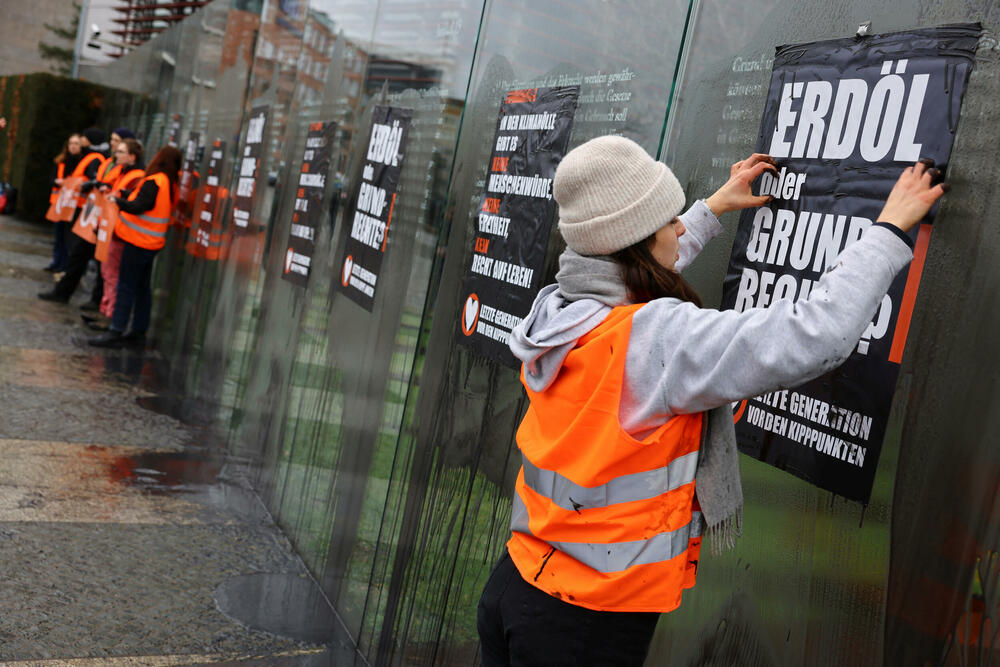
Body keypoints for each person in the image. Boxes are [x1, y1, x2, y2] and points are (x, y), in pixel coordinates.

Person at [476, 136, 947, 666]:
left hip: (518, 584)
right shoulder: (655, 340)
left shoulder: (560, 310)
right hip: (582, 626)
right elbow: (816, 336)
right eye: (669, 221)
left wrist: (712, 208)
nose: (680, 228)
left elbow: (629, 274)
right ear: (634, 240)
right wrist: (887, 231)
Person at [89, 144, 181, 348]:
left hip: (138, 241)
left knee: (126, 286)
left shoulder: (155, 180)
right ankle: (138, 330)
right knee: (141, 288)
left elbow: (141, 206)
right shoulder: (171, 183)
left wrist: (118, 201)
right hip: (152, 243)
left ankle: (116, 330)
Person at [82, 137, 145, 330]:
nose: (116, 153)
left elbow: (129, 200)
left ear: (132, 157)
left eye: (121, 151)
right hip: (111, 228)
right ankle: (105, 312)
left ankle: (109, 316)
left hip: (120, 232)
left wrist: (115, 195)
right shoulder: (123, 172)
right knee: (107, 272)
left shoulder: (136, 176)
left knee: (112, 275)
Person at [38, 129, 107, 302]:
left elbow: (94, 181)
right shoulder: (92, 158)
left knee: (76, 251)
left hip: (84, 211)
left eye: (82, 139)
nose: (79, 142)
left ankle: (65, 289)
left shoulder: (95, 159)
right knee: (72, 248)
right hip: (79, 208)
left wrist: (86, 185)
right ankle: (63, 288)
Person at [45, 134, 82, 272]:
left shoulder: (82, 163)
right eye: (71, 143)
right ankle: (57, 261)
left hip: (72, 205)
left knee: (67, 238)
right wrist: (57, 182)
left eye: (76, 143)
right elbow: (52, 179)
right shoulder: (61, 162)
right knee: (58, 235)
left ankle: (64, 264)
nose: (73, 146)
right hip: (59, 204)